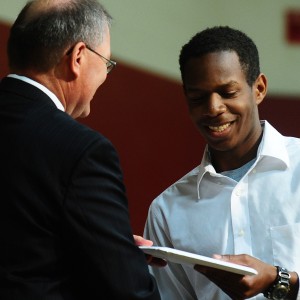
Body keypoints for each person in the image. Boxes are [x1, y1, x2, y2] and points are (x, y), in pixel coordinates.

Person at [0, 1, 161, 299]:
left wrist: (105, 241)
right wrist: (120, 258)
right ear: (78, 57)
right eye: (107, 63)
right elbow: (127, 289)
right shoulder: (82, 151)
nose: (105, 76)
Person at [144, 26, 300, 300]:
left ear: (259, 88)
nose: (214, 108)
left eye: (228, 92)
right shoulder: (167, 210)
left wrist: (281, 281)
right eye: (198, 97)